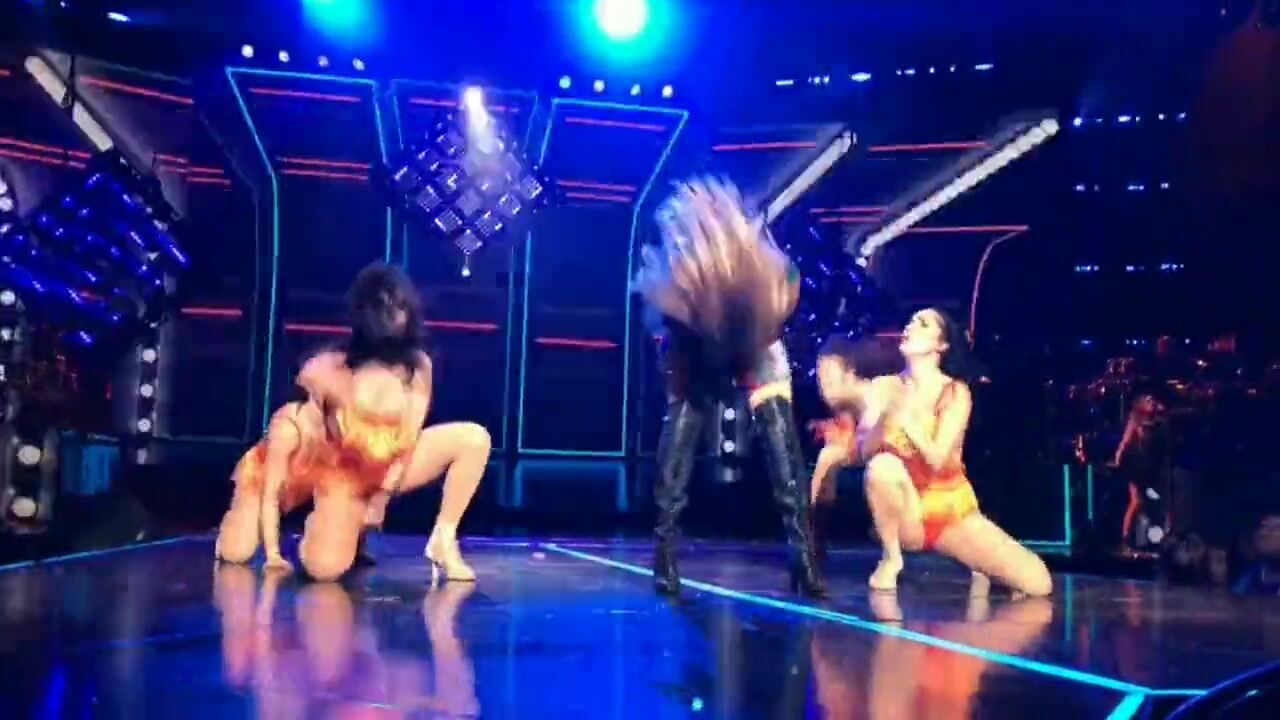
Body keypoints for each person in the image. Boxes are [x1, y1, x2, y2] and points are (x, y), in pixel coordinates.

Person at [633, 177, 825, 598]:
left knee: (780, 438)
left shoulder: (761, 271)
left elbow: (787, 284)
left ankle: (803, 558)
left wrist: (763, 317)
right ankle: (665, 552)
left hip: (755, 338)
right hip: (695, 344)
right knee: (681, 432)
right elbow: (666, 315)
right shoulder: (683, 276)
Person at [826, 308, 1052, 595]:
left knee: (1037, 583)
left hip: (949, 510)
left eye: (922, 324)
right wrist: (884, 418)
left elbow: (936, 458)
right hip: (906, 510)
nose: (910, 327)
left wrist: (905, 417)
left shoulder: (955, 392)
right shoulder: (885, 387)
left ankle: (980, 565)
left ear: (941, 345)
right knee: (882, 466)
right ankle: (891, 557)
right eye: (910, 322)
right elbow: (863, 453)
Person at [293, 262, 491, 583]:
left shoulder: (417, 365)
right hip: (345, 473)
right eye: (382, 308)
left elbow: (409, 435)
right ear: (364, 313)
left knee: (474, 438)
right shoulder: (331, 365)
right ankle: (339, 532)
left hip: (394, 465)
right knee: (324, 570)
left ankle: (443, 539)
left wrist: (380, 496)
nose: (392, 317)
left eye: (399, 307)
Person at [1110, 394, 1170, 552]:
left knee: (1159, 501)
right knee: (1136, 501)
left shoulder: (1159, 421)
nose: (1152, 403)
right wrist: (1117, 459)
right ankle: (1125, 537)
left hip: (1152, 467)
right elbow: (1124, 443)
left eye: (1153, 400)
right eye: (1148, 400)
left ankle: (1160, 537)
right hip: (1136, 466)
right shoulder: (1135, 420)